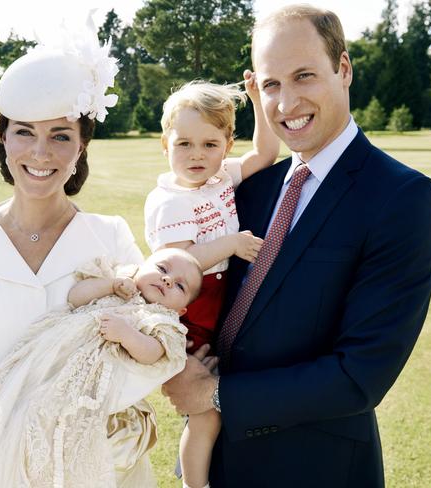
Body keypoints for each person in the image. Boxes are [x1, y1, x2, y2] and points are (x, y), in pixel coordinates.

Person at [161, 5, 431, 487]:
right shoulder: (249, 188)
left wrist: (214, 394)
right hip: (218, 463)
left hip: (315, 467)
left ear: (344, 68)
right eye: (271, 85)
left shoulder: (401, 197)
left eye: (304, 76)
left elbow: (359, 374)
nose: (286, 103)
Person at [0, 17, 156, 486]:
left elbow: (149, 352)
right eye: (24, 132)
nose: (41, 153)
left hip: (103, 472)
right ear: (2, 137)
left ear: (81, 147)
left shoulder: (111, 237)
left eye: (60, 135)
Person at [0, 248, 203, 487]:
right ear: (141, 266)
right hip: (52, 357)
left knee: (63, 423)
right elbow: (76, 297)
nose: (168, 279)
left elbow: (153, 353)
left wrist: (127, 335)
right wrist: (110, 285)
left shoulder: (162, 320)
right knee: (22, 405)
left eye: (180, 285)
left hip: (88, 380)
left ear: (181, 311)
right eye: (162, 268)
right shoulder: (120, 281)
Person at [144, 80, 279, 488]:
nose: (197, 155)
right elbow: (178, 269)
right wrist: (232, 244)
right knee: (205, 410)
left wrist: (258, 100)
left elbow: (267, 153)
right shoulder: (170, 200)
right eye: (184, 144)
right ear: (165, 145)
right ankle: (195, 484)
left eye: (210, 144)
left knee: (228, 399)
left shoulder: (222, 177)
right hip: (191, 310)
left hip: (222, 300)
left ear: (226, 144)